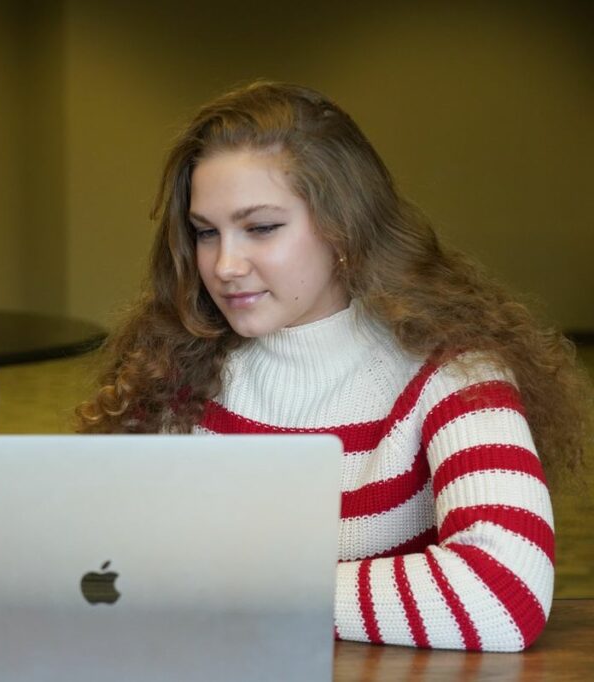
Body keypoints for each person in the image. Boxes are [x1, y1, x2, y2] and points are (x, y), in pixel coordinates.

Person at [77, 81, 591, 651]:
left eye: (261, 227)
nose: (223, 265)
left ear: (343, 228)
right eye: (205, 233)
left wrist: (242, 592)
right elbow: (110, 572)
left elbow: (504, 592)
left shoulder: (456, 371)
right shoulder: (171, 365)